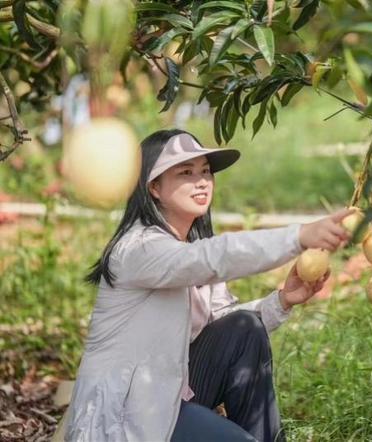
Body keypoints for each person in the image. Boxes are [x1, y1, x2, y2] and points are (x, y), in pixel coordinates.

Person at [62, 129, 352, 441]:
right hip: (127, 416)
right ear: (154, 187)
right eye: (186, 173)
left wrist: (283, 301)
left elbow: (227, 327)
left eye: (205, 172)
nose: (202, 181)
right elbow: (212, 258)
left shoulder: (190, 245)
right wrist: (298, 237)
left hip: (169, 398)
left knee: (244, 327)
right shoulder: (139, 248)